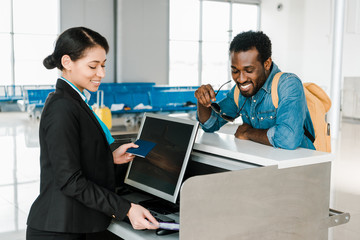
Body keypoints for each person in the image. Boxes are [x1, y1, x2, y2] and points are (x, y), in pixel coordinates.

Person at [26, 27, 158, 240]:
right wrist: (125, 208)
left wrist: (109, 157)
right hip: (58, 230)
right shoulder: (62, 108)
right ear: (67, 62)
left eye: (103, 65)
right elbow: (69, 180)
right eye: (93, 66)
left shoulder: (75, 101)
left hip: (75, 223)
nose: (101, 74)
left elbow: (76, 155)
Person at [195, 30, 315, 150]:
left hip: (299, 166)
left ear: (267, 64)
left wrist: (248, 132)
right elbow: (210, 125)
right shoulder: (238, 92)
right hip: (265, 163)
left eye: (249, 70)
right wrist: (202, 101)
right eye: (235, 71)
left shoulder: (288, 84)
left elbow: (288, 139)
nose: (241, 79)